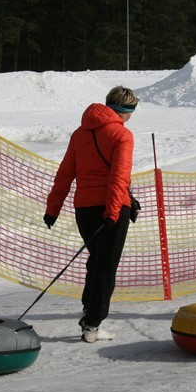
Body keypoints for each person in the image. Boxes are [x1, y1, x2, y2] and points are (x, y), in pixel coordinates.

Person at [43, 86, 139, 343]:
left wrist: (52, 208)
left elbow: (65, 174)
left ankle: (89, 313)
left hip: (83, 209)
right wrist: (114, 210)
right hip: (111, 209)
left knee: (96, 261)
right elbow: (119, 177)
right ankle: (93, 325)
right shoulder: (123, 135)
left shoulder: (79, 133)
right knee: (106, 266)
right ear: (126, 110)